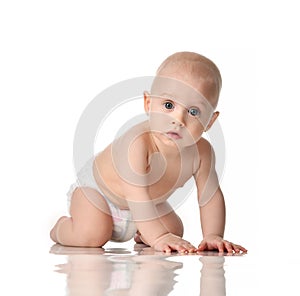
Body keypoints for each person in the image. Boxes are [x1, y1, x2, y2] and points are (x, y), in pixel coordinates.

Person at [50, 51, 247, 254]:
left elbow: (210, 196)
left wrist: (212, 236)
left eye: (194, 111)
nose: (178, 119)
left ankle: (144, 233)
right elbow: (137, 195)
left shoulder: (203, 153)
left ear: (210, 121)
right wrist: (159, 237)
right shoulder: (136, 143)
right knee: (92, 234)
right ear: (148, 104)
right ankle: (61, 229)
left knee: (175, 230)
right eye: (168, 105)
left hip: (146, 205)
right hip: (98, 195)